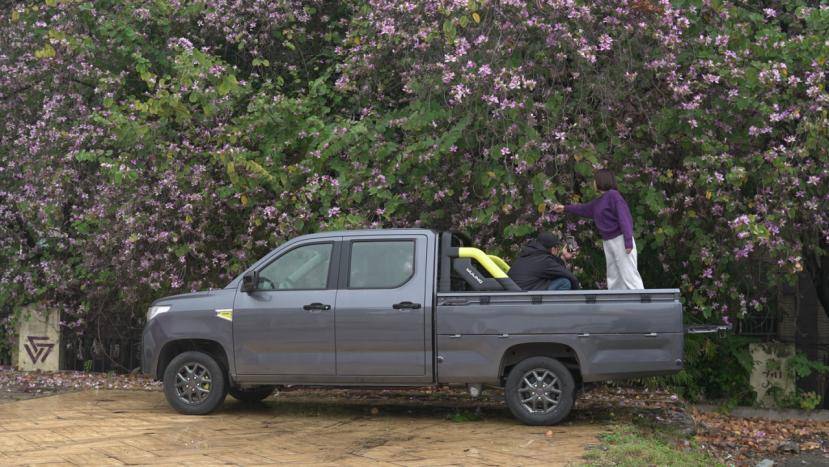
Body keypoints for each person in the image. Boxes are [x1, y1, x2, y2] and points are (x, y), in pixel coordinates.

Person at [552, 169, 644, 290]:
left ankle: (642, 304)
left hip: (620, 240)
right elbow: (584, 209)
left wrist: (628, 241)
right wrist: (564, 208)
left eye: (595, 180)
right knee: (614, 276)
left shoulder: (613, 195)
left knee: (628, 274)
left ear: (601, 180)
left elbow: (624, 218)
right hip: (608, 241)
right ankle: (617, 305)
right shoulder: (599, 201)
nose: (593, 183)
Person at [508, 232, 580, 291]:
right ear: (552, 249)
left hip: (516, 295)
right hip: (527, 297)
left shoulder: (527, 254)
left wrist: (563, 258)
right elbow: (570, 277)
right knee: (564, 282)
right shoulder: (545, 260)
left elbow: (557, 271)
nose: (558, 249)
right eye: (556, 247)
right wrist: (580, 297)